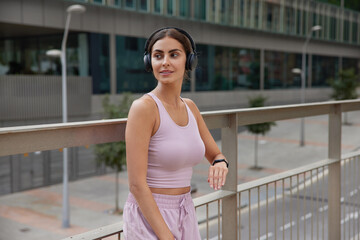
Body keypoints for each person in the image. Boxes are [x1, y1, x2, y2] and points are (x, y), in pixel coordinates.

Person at [123, 27, 229, 240]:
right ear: (149, 62)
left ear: (189, 61)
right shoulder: (144, 108)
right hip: (149, 217)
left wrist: (220, 164)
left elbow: (216, 154)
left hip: (185, 211)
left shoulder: (190, 107)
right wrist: (166, 236)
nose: (165, 62)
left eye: (174, 55)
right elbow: (136, 184)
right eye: (158, 55)